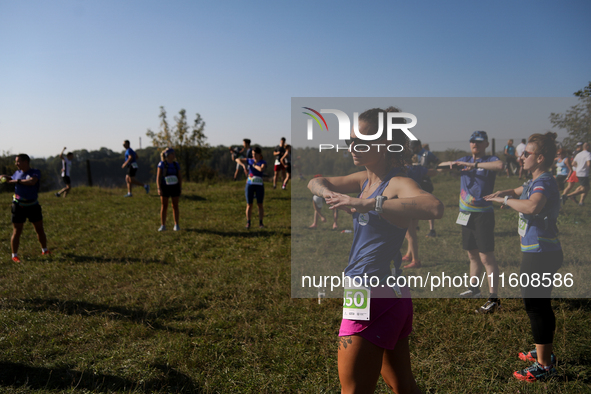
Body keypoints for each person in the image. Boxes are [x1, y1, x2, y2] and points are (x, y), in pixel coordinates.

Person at [308, 107, 443, 394]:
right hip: (392, 294)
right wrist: (330, 194)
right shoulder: (364, 180)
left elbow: (433, 207)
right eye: (350, 140)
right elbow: (315, 180)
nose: (353, 147)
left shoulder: (397, 183)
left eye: (362, 141)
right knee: (404, 386)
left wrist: (369, 204)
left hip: (370, 295)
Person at [484, 132, 562, 382]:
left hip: (541, 254)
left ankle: (544, 366)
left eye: (526, 153)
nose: (521, 156)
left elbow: (532, 206)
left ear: (539, 158)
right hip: (537, 252)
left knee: (536, 307)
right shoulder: (534, 180)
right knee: (538, 306)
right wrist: (501, 193)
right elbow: (519, 189)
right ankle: (542, 352)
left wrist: (506, 200)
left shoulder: (544, 182)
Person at [439, 131, 504, 313]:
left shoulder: (490, 159)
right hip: (465, 213)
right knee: (472, 254)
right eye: (472, 141)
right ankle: (474, 288)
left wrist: (472, 164)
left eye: (479, 141)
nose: (475, 144)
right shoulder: (464, 158)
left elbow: (500, 165)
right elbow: (440, 166)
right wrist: (451, 164)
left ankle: (494, 298)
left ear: (485, 144)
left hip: (483, 214)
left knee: (486, 256)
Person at [1, 154, 49, 262]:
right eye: (16, 162)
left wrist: (16, 181)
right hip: (18, 205)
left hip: (33, 205)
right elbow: (11, 178)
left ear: (25, 162)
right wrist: (4, 176)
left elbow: (32, 182)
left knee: (39, 229)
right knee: (17, 231)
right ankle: (14, 255)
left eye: (18, 161)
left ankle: (44, 250)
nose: (16, 164)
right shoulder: (17, 173)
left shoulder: (35, 172)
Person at [401, 158, 439, 269]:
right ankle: (409, 254)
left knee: (409, 234)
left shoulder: (401, 169)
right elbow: (432, 172)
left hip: (406, 202)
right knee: (412, 230)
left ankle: (415, 260)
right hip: (416, 201)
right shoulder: (417, 168)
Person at [237, 147, 266, 229]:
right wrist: (243, 165)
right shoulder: (249, 160)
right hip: (249, 184)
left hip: (259, 185)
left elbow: (261, 169)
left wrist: (253, 165)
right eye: (252, 154)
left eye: (255, 154)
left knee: (260, 204)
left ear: (259, 154)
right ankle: (248, 222)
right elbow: (237, 159)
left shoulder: (262, 162)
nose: (253, 156)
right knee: (249, 204)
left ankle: (261, 223)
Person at [417, 143, 440, 238]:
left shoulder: (426, 154)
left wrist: (432, 171)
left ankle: (431, 229)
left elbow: (437, 162)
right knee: (417, 204)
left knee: (426, 204)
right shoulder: (423, 154)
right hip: (420, 181)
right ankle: (417, 226)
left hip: (422, 181)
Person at [156, 148, 182, 231]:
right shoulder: (162, 164)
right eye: (172, 154)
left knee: (175, 205)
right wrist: (159, 188)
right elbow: (158, 177)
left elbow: (180, 176)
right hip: (165, 187)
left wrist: (180, 187)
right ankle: (163, 225)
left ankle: (176, 224)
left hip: (174, 187)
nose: (174, 155)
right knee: (164, 205)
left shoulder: (176, 164)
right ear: (168, 155)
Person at [564, 142, 591, 206]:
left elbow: (573, 163)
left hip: (578, 172)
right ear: (587, 147)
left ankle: (581, 202)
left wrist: (579, 167)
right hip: (583, 173)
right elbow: (589, 164)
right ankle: (567, 196)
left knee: (584, 186)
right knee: (585, 189)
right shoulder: (588, 154)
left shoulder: (579, 154)